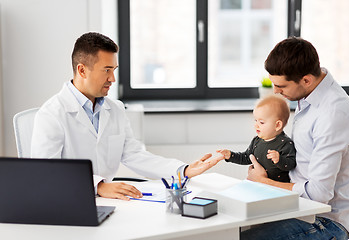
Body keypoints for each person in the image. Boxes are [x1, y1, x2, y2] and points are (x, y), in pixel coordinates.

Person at [31, 32, 223, 201]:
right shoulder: (51, 114)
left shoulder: (115, 109)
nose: (112, 79)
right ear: (82, 70)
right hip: (69, 201)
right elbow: (46, 173)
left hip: (108, 202)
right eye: (106, 70)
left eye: (113, 70)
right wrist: (98, 186)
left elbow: (134, 155)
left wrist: (184, 170)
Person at [241, 37, 349, 240]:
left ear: (306, 80)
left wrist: (263, 182)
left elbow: (319, 194)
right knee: (227, 229)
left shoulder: (333, 113)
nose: (276, 91)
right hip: (296, 208)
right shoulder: (309, 95)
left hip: (324, 221)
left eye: (281, 86)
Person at [217, 95, 296, 182]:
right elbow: (246, 157)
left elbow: (292, 164)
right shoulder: (256, 141)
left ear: (277, 125)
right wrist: (230, 155)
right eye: (256, 120)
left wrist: (279, 160)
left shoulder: (285, 143)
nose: (256, 125)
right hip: (258, 184)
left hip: (278, 188)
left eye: (261, 122)